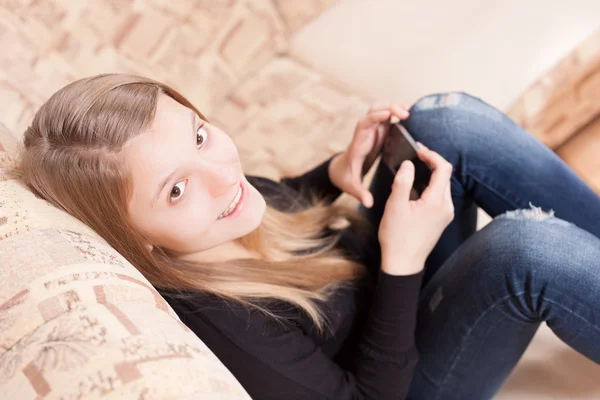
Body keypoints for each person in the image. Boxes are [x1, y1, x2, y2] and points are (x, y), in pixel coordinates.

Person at [18, 74, 600, 400]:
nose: (224, 176)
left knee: (443, 122)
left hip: (390, 295)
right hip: (399, 384)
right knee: (524, 249)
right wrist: (402, 261)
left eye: (198, 135)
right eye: (176, 190)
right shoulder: (230, 324)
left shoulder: (231, 201)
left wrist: (336, 172)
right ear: (135, 240)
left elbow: (283, 194)